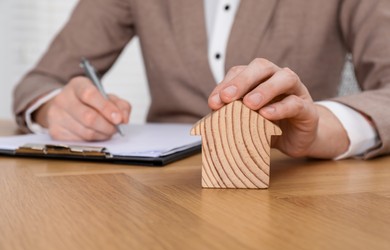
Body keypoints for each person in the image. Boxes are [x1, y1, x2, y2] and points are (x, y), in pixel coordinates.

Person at [12, 0, 390, 160]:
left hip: (293, 181)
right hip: (161, 194)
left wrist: (325, 126)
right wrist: (55, 107)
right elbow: (41, 81)